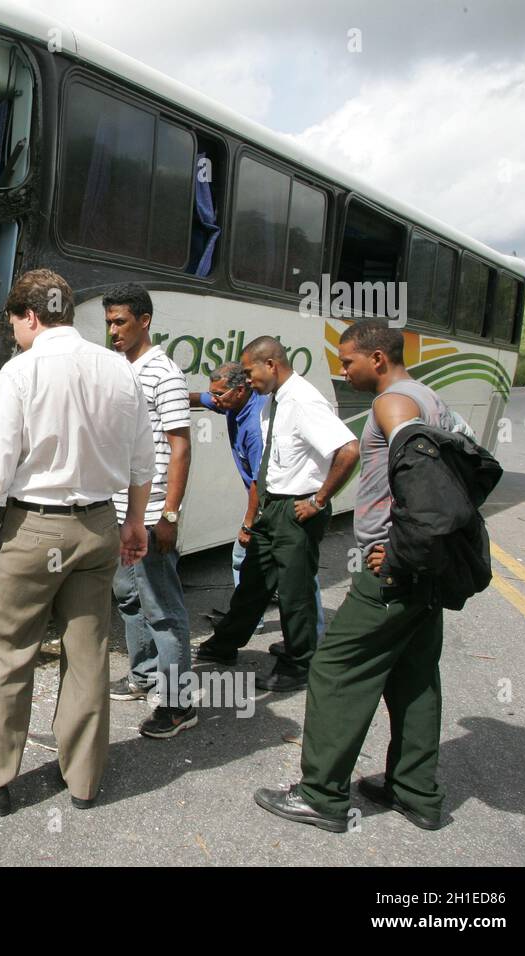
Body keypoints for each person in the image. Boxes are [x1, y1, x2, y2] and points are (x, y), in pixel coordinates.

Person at [0, 269, 154, 815]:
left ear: (31, 316)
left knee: (10, 655)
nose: (14, 332)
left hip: (34, 531)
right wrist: (135, 522)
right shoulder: (119, 371)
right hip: (98, 528)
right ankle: (84, 780)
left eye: (14, 321)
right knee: (88, 657)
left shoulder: (20, 373)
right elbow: (141, 462)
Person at [255, 321, 459, 832]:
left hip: (394, 570)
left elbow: (426, 485)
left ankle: (321, 795)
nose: (343, 372)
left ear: (379, 359)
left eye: (348, 362)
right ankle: (415, 790)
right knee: (413, 674)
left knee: (334, 669)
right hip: (426, 569)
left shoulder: (393, 404)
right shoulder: (434, 400)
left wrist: (396, 549)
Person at [195, 336, 359, 692]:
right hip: (274, 507)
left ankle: (299, 663)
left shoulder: (302, 400)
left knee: (294, 592)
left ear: (270, 364)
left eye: (250, 370)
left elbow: (348, 450)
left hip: (296, 509)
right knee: (253, 581)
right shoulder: (272, 399)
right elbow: (213, 399)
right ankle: (225, 645)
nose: (247, 378)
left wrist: (318, 500)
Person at [103, 284, 196, 738]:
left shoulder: (165, 373)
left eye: (120, 322)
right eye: (109, 323)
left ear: (145, 320)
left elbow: (180, 446)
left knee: (164, 610)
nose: (113, 331)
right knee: (128, 597)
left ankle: (178, 705)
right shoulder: (122, 369)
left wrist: (169, 515)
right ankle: (142, 675)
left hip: (152, 511)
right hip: (120, 510)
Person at [190, 363, 326, 646]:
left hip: (278, 501)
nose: (214, 400)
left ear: (239, 391)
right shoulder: (230, 403)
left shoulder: (255, 426)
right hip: (268, 499)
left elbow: (257, 481)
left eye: (219, 395)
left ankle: (310, 639)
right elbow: (199, 398)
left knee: (292, 571)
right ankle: (250, 623)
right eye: (214, 394)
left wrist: (247, 524)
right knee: (261, 566)